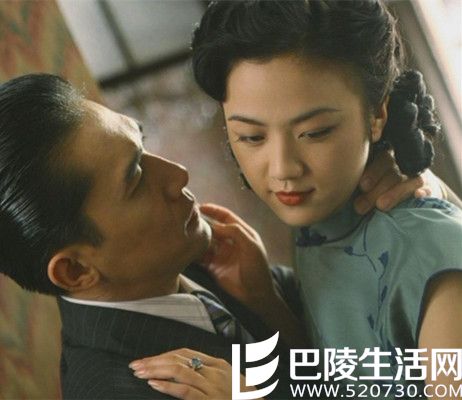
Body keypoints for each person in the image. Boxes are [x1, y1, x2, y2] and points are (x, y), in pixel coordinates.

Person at [0, 73, 441, 399]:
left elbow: (356, 356)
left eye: (142, 145)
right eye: (135, 178)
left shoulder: (191, 263)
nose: (177, 174)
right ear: (75, 270)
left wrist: (266, 301)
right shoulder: (121, 390)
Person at [134, 1, 462, 398]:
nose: (283, 168)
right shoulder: (320, 219)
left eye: (315, 132)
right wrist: (266, 301)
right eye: (252, 136)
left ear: (377, 114)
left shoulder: (430, 261)